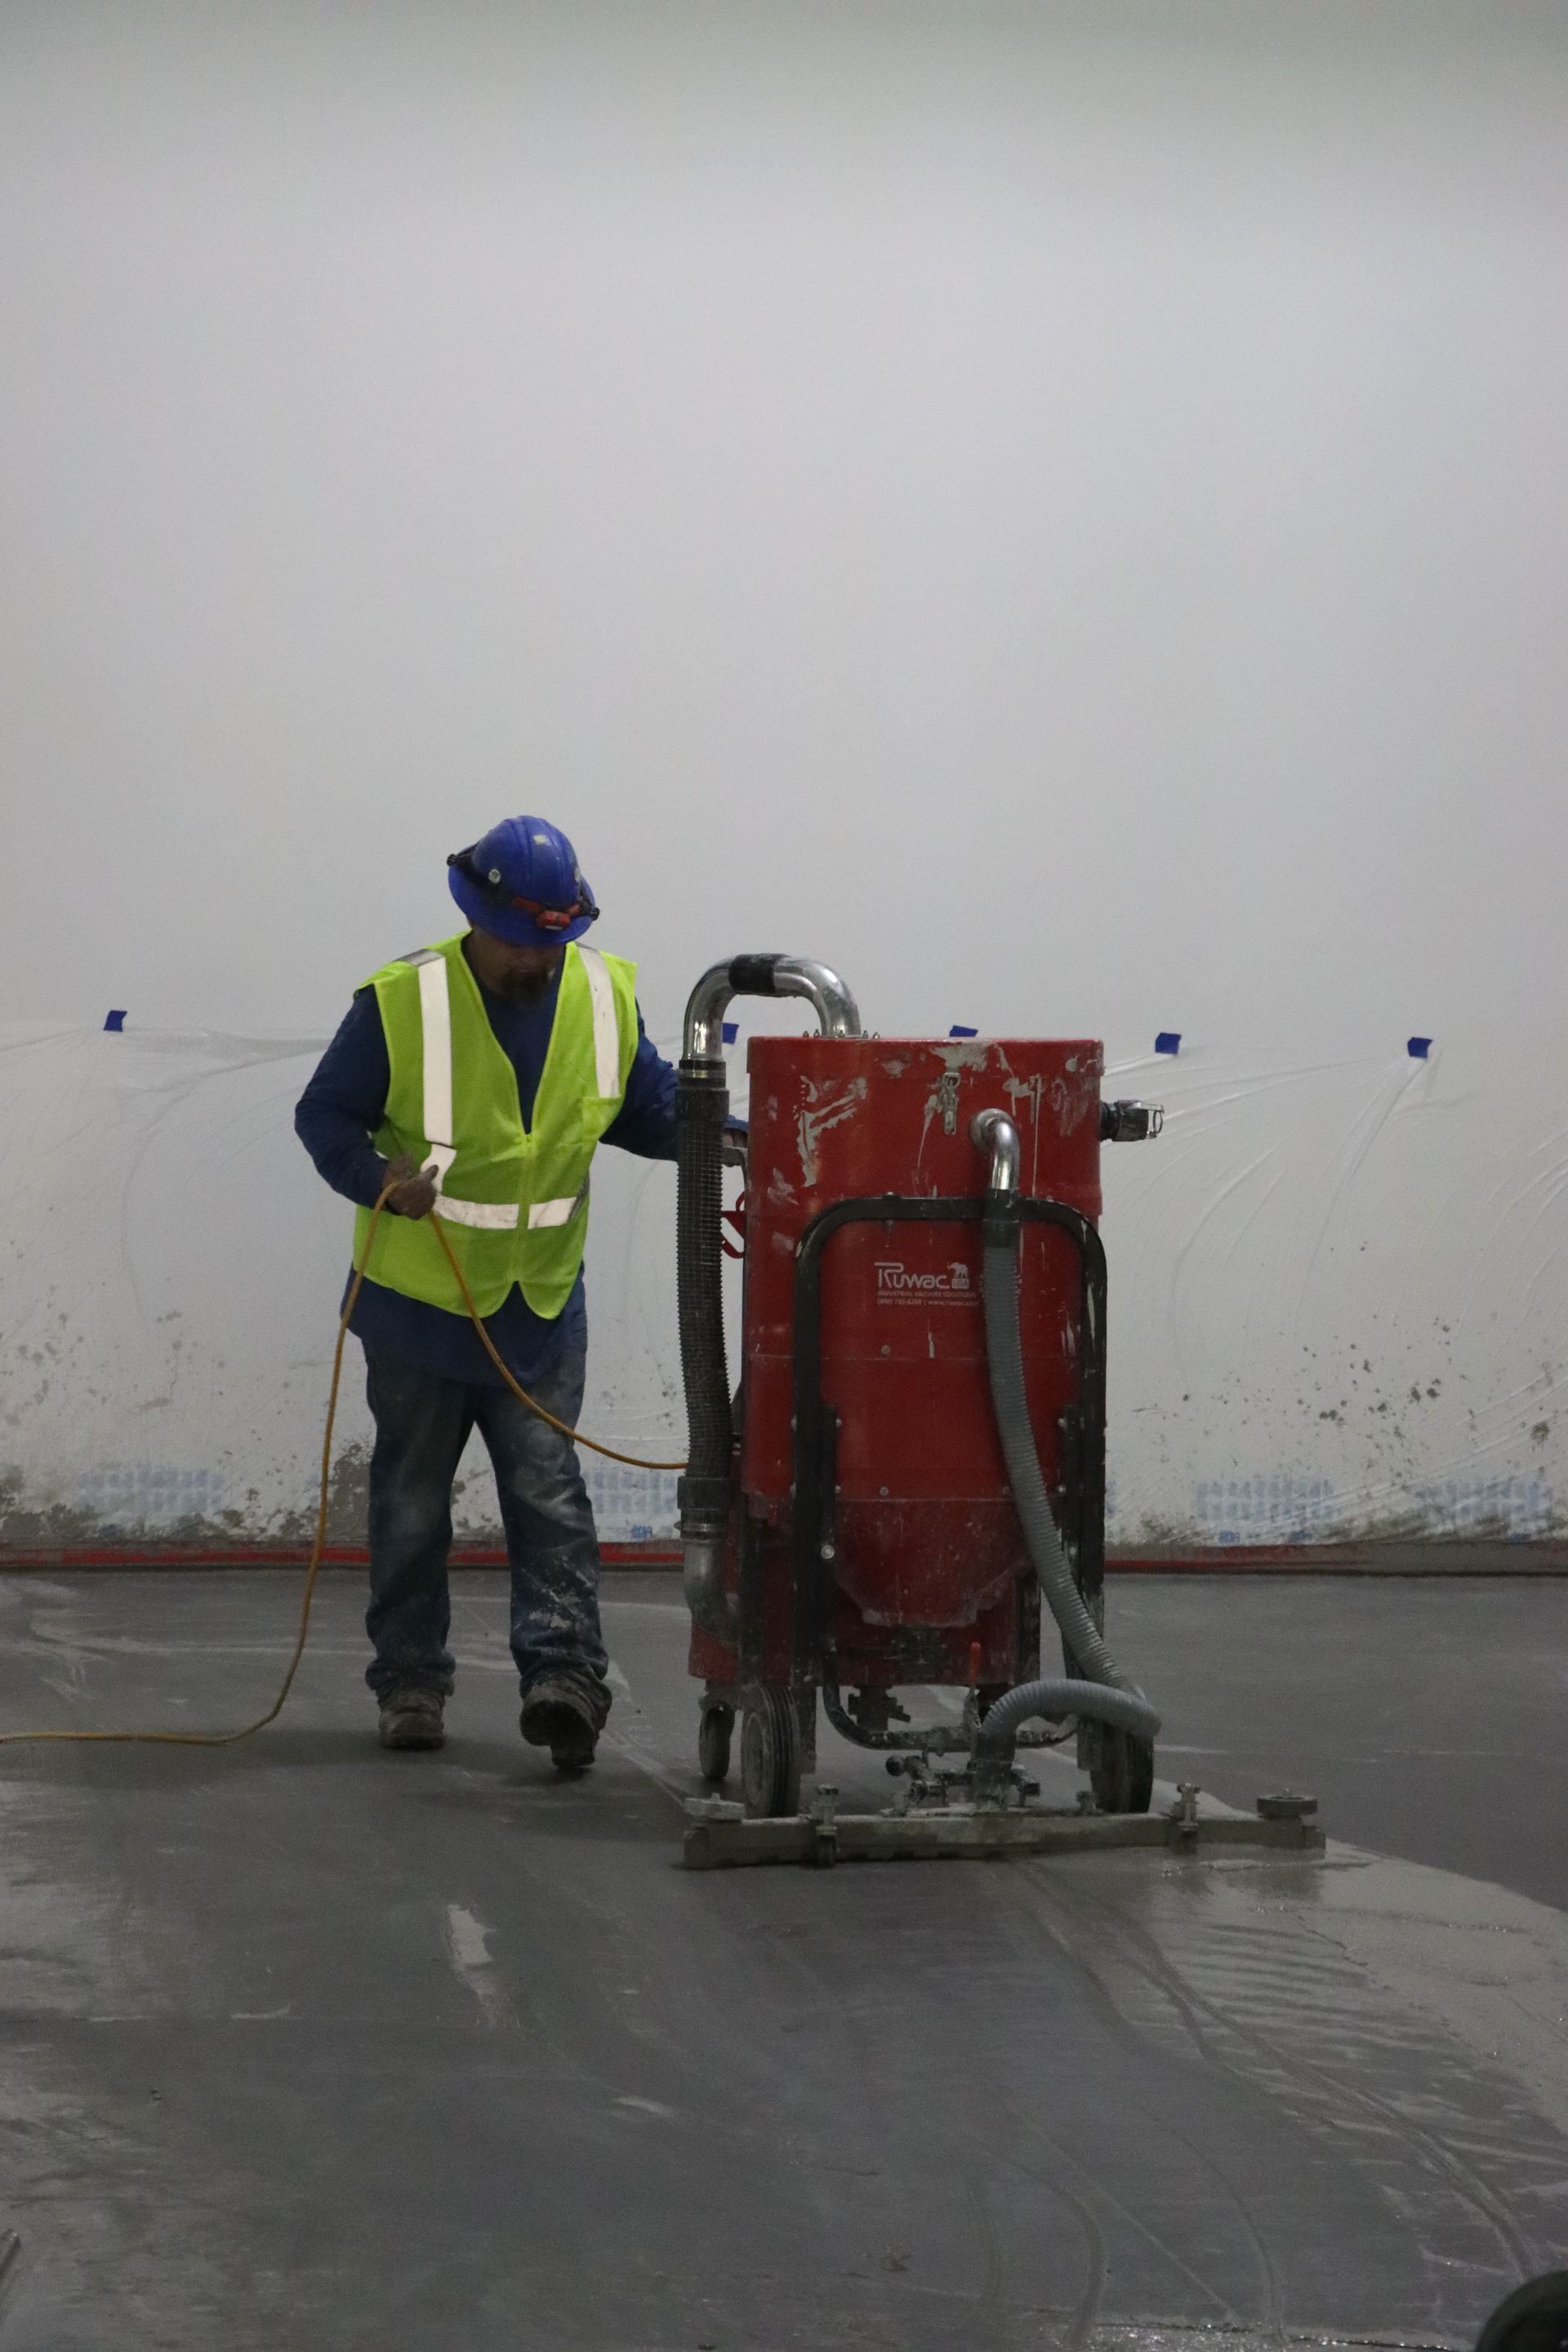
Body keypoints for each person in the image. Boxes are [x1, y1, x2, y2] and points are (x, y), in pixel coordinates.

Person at [295, 815, 686, 1770]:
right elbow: (324, 1116)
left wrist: (732, 1134)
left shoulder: (599, 992)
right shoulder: (403, 1001)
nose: (539, 961)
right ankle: (412, 1684)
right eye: (521, 943)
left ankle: (565, 1680)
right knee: (412, 1503)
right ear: (476, 918)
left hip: (540, 1307)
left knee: (550, 1499)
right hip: (420, 1306)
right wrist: (378, 1176)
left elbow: (650, 1109)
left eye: (554, 941)